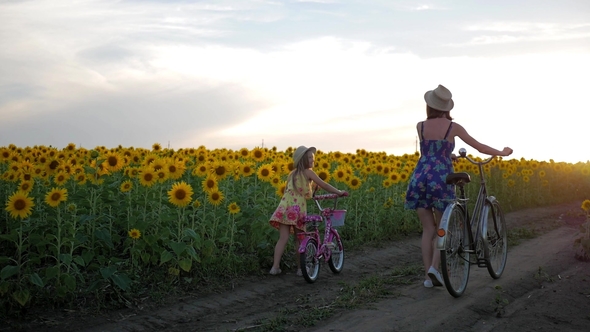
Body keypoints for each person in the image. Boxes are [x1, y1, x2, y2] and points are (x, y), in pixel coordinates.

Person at [404, 84, 513, 288]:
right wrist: (502, 152)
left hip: (420, 177)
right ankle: (435, 268)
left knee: (428, 229)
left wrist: (447, 154)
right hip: (441, 179)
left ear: (429, 106)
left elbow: (431, 152)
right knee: (443, 227)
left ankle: (428, 278)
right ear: (447, 107)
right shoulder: (452, 127)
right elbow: (479, 146)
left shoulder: (420, 126)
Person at [269, 146, 348, 276]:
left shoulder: (292, 174)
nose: (312, 160)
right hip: (298, 208)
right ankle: (301, 269)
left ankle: (275, 267)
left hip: (284, 206)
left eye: (313, 157)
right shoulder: (308, 172)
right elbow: (325, 185)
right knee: (299, 239)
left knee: (283, 238)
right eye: (310, 157)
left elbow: (287, 191)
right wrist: (339, 192)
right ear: (303, 160)